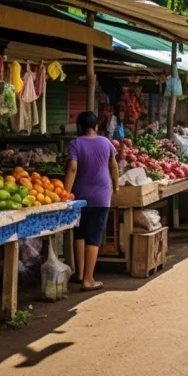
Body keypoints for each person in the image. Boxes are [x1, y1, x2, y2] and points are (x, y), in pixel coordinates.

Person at [64, 111, 119, 291]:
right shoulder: (106, 142)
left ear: (80, 127)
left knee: (80, 233)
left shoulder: (75, 143)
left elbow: (72, 168)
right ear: (96, 127)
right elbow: (114, 165)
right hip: (101, 195)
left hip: (80, 195)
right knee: (94, 237)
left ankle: (80, 273)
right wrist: (116, 186)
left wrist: (65, 193)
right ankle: (88, 280)